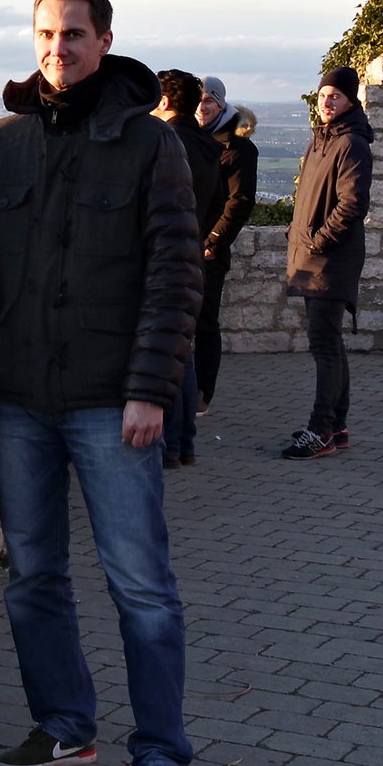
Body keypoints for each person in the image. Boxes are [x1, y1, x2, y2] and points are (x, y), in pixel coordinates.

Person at [0, 0, 201, 766]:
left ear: (103, 41)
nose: (57, 50)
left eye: (73, 35)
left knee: (141, 588)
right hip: (19, 399)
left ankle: (162, 757)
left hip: (110, 403)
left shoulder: (147, 145)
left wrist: (149, 388)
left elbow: (176, 274)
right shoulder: (2, 143)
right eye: (46, 35)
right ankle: (62, 728)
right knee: (32, 578)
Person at [282, 65, 374, 460]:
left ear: (350, 100)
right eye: (323, 95)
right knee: (330, 344)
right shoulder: (322, 139)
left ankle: (321, 430)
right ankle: (336, 426)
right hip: (311, 256)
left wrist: (317, 241)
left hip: (329, 260)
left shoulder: (352, 143)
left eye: (335, 96)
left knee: (324, 346)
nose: (327, 102)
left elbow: (352, 204)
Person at [152, 69, 222, 469]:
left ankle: (168, 446)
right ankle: (183, 444)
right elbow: (218, 202)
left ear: (163, 102)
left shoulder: (167, 142)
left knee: (165, 352)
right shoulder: (206, 143)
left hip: (164, 257)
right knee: (184, 351)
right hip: (193, 250)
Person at [194, 75, 260, 414]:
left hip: (208, 249)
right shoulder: (193, 139)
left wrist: (214, 241)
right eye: (199, 100)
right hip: (185, 243)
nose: (202, 107)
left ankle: (202, 395)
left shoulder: (238, 147)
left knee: (205, 322)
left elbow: (240, 201)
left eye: (209, 101)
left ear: (221, 104)